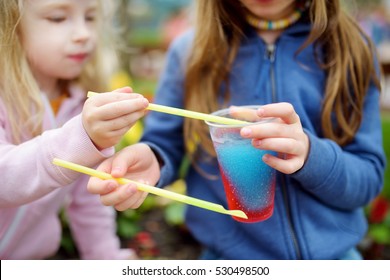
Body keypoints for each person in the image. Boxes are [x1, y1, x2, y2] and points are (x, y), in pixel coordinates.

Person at [88, 0, 386, 259]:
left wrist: (311, 155)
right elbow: (165, 143)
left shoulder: (351, 48)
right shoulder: (189, 52)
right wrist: (153, 159)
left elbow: (367, 179)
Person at [0, 0, 149, 259]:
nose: (84, 34)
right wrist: (80, 139)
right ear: (9, 26)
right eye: (58, 18)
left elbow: (89, 197)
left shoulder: (80, 102)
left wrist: (105, 258)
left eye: (90, 17)